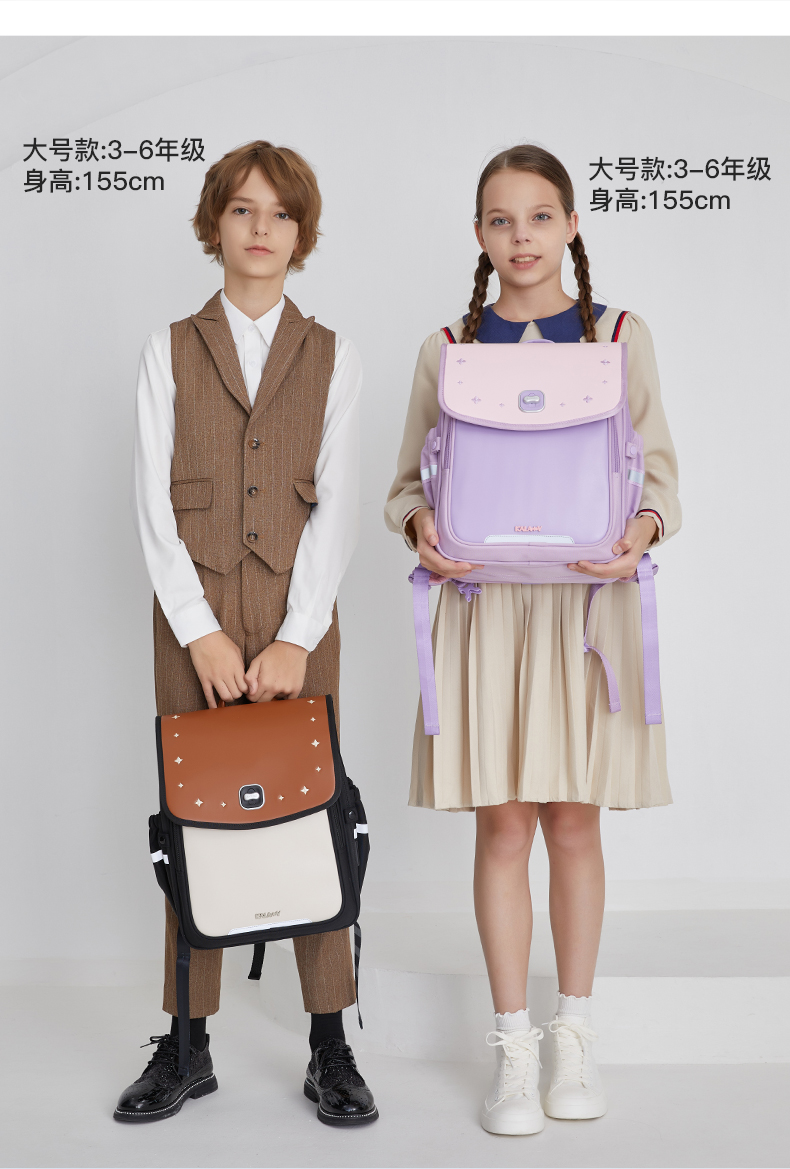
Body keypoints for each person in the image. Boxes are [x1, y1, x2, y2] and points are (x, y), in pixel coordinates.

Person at [385, 145, 680, 1136]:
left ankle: (574, 1035)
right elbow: (406, 483)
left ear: (572, 225)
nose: (522, 237)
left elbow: (660, 472)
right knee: (504, 826)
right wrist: (420, 525)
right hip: (485, 611)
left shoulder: (619, 336)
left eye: (541, 216)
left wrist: (642, 530)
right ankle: (513, 1047)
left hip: (586, 611)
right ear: (479, 233)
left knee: (575, 824)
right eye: (502, 220)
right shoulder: (446, 348)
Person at [117, 140, 377, 1126]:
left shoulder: (334, 354)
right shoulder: (168, 348)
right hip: (193, 621)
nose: (261, 228)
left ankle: (329, 1040)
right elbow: (150, 502)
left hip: (300, 621)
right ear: (214, 224)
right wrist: (199, 630)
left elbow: (338, 507)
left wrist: (298, 634)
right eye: (242, 209)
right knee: (195, 820)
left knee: (313, 812)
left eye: (280, 213)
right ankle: (187, 1043)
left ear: (301, 233)